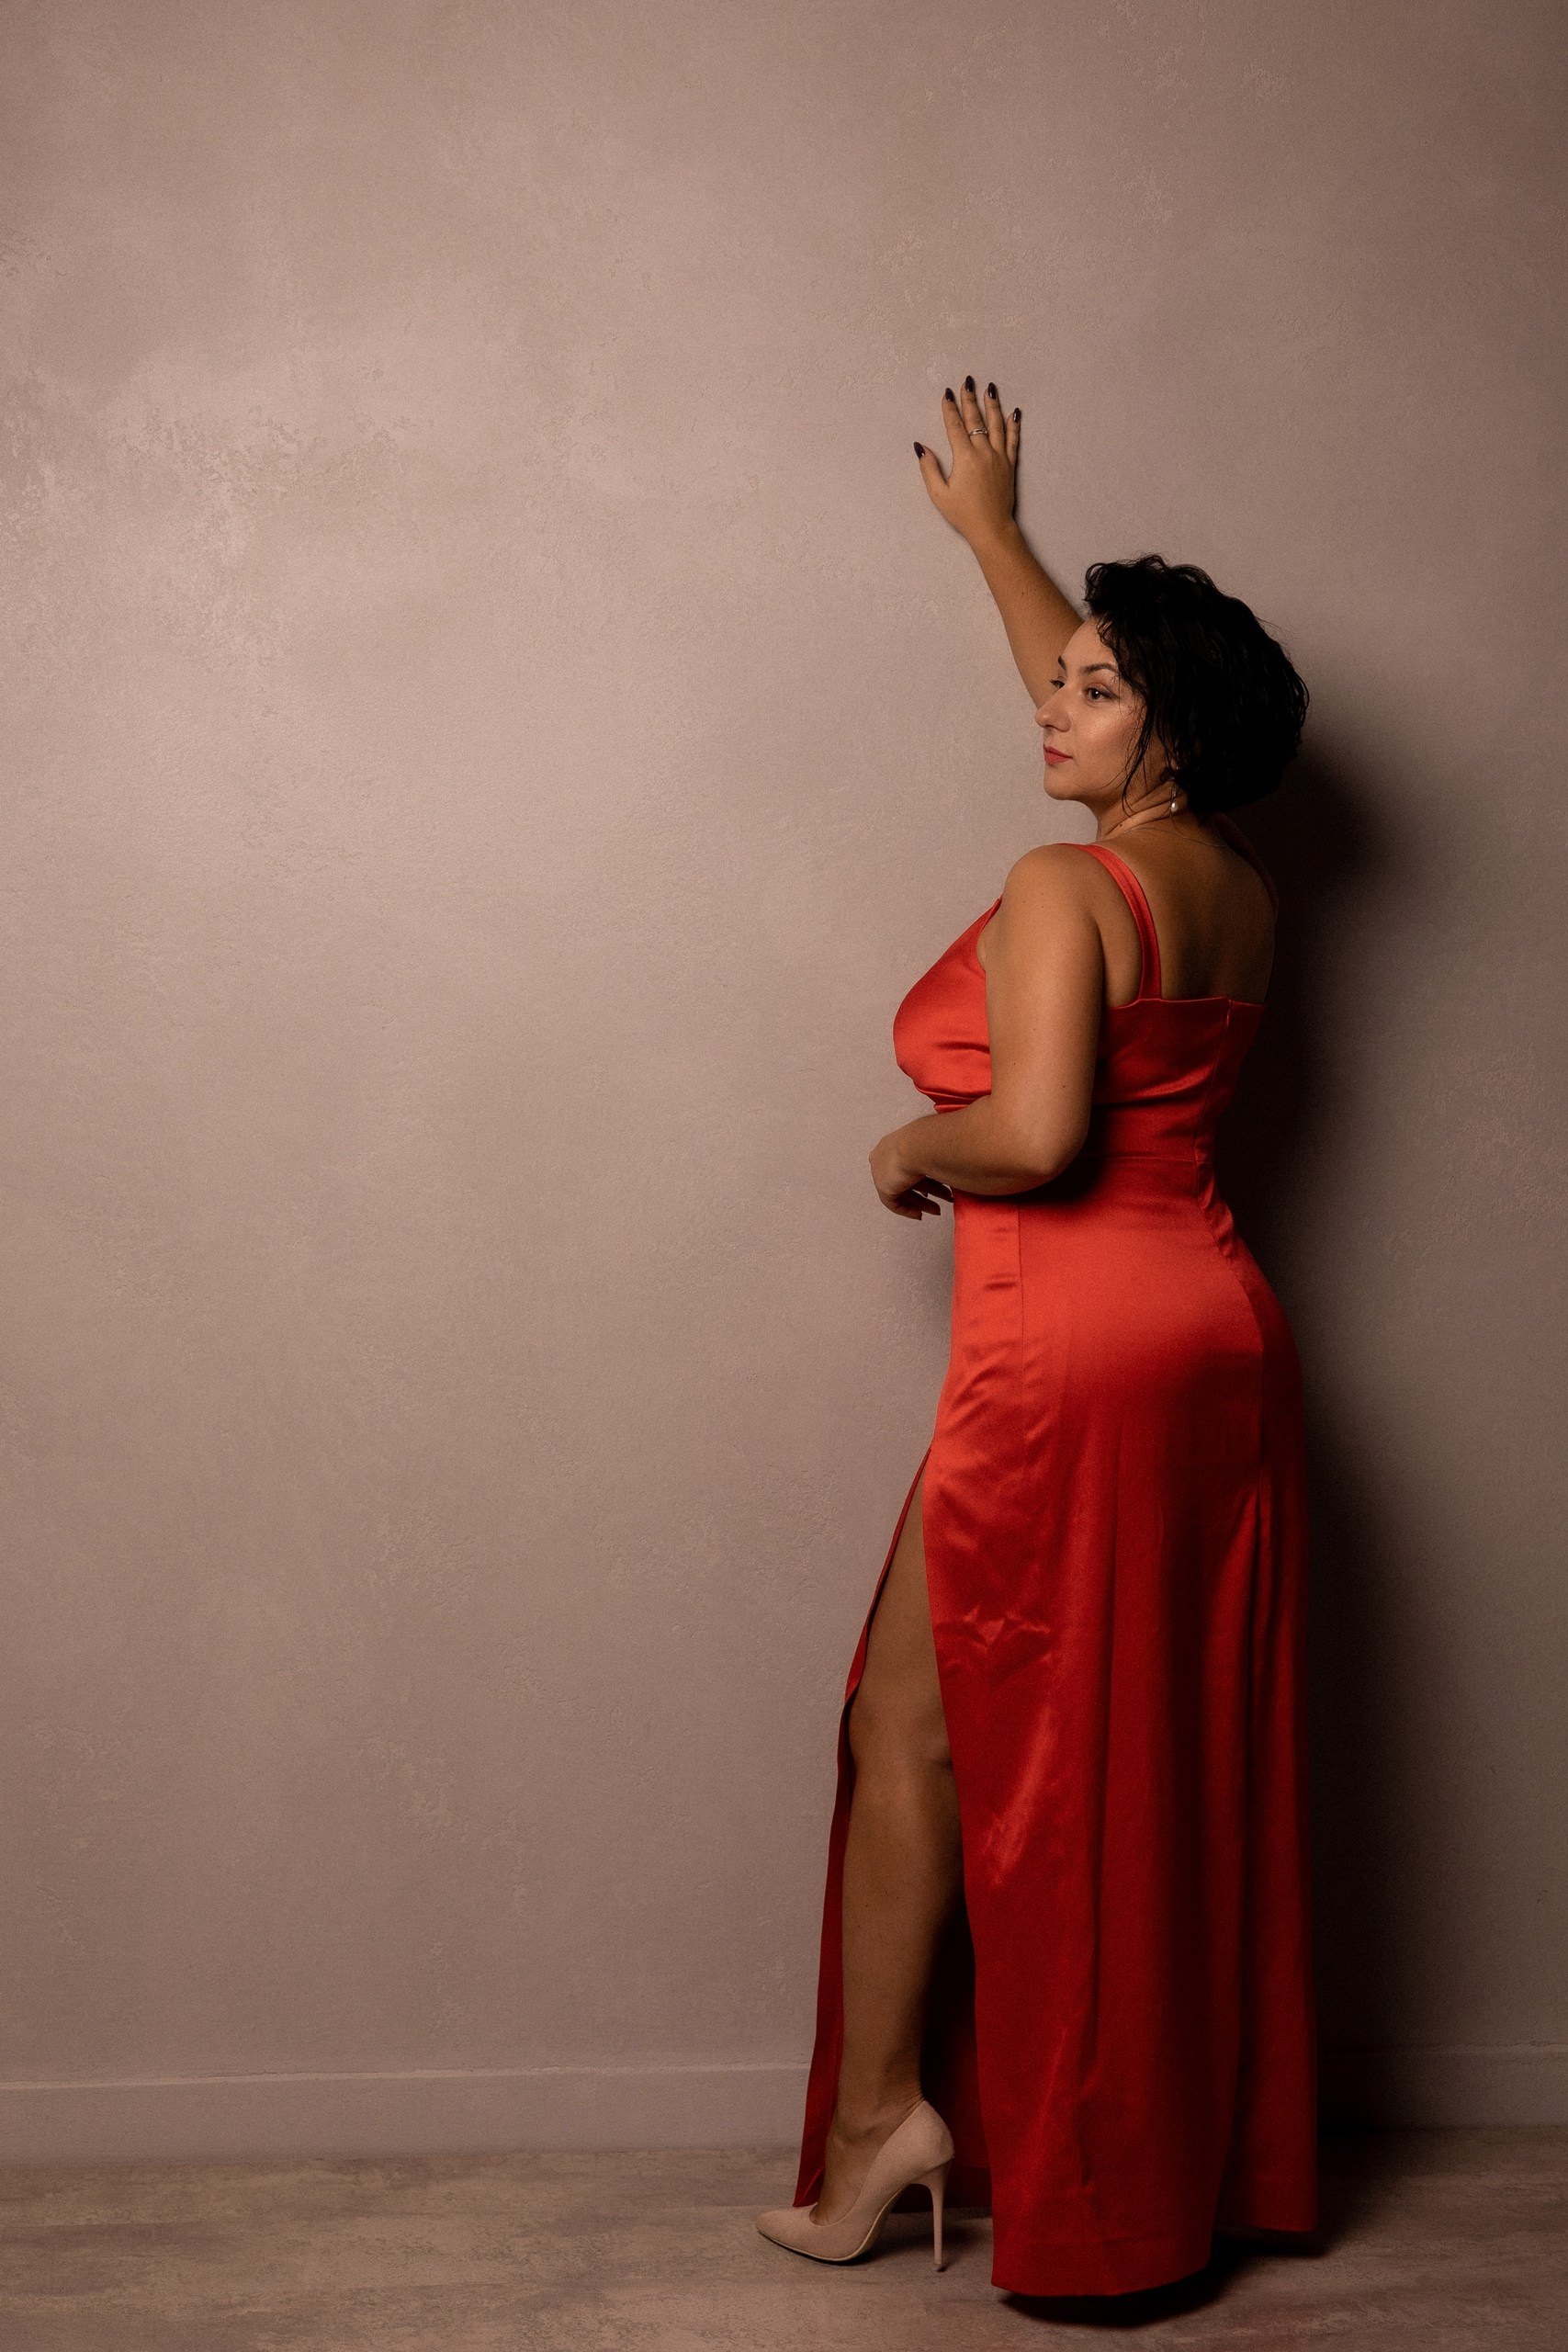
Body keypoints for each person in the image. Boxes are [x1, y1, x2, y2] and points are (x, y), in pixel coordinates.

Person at [754, 378, 1318, 2298]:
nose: (1047, 703)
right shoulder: (1231, 887)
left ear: (1161, 731)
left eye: (1086, 689)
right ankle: (951, 2137)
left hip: (1061, 1341)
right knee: (1107, 1742)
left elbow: (1037, 1135)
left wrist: (905, 1145)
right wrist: (996, 540)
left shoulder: (1059, 886)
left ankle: (953, 2152)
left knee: (1003, 1744)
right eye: (1053, 676)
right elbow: (1120, 717)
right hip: (1210, 1328)